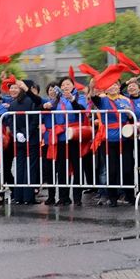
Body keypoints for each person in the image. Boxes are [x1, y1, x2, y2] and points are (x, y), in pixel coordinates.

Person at [90, 80, 134, 207]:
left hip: (125, 139)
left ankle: (130, 196)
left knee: (127, 169)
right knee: (112, 170)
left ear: (119, 87)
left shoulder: (125, 100)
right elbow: (93, 97)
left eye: (115, 84)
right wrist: (92, 86)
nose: (113, 86)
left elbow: (132, 118)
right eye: (110, 84)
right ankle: (112, 197)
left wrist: (129, 114)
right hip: (108, 140)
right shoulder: (102, 100)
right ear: (106, 88)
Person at [50, 76, 88, 206]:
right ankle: (63, 197)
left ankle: (77, 198)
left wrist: (71, 99)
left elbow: (82, 110)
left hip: (75, 136)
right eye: (63, 85)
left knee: (77, 166)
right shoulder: (57, 100)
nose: (65, 87)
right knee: (62, 168)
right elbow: (48, 108)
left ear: (73, 86)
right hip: (61, 136)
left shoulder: (80, 97)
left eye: (68, 84)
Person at [7, 79, 43, 205]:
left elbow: (33, 119)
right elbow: (11, 121)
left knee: (22, 167)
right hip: (27, 138)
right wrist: (20, 133)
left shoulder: (21, 102)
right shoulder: (17, 103)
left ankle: (20, 197)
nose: (13, 90)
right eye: (11, 88)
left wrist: (19, 133)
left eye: (15, 87)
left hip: (24, 138)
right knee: (27, 167)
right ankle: (26, 197)